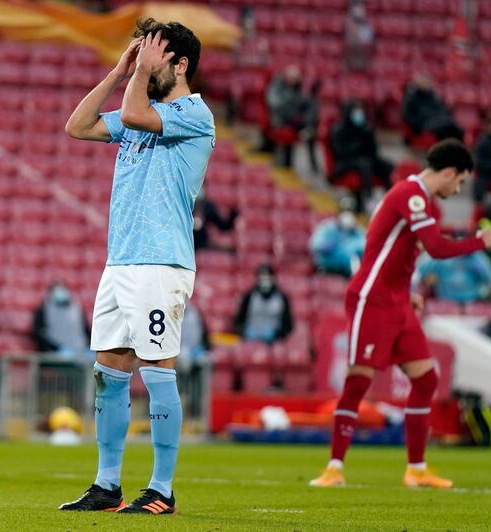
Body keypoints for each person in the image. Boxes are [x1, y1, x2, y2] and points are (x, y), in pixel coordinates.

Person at [61, 19, 214, 515]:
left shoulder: (194, 113)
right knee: (110, 368)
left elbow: (132, 109)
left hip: (161, 261)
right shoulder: (137, 108)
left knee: (157, 369)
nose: (145, 65)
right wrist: (120, 69)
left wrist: (137, 78)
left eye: (154, 56)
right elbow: (78, 126)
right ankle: (107, 485)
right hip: (121, 259)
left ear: (180, 63)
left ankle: (162, 490)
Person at [309, 139, 491, 489]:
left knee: (425, 380)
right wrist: (478, 242)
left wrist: (409, 292)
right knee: (358, 382)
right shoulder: (410, 195)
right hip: (373, 299)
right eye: (458, 182)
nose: (457, 190)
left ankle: (416, 469)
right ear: (449, 172)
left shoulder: (419, 201)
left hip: (397, 301)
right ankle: (333, 468)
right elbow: (438, 248)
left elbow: (398, 251)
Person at [329, 100, 393, 209]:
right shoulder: (339, 130)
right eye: (356, 112)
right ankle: (369, 199)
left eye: (361, 111)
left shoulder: (366, 130)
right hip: (346, 162)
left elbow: (373, 151)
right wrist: (357, 146)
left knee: (387, 165)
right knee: (365, 164)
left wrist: (368, 138)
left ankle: (391, 198)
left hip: (365, 159)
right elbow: (340, 152)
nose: (359, 114)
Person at [265, 65, 319, 170]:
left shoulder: (298, 88)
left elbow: (303, 104)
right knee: (296, 115)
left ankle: (313, 165)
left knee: (311, 104)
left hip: (295, 118)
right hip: (280, 118)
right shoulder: (276, 87)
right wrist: (290, 97)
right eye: (292, 77)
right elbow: (274, 104)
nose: (293, 80)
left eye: (296, 78)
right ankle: (306, 129)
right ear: (285, 76)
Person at [233, 264, 294, 343]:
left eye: (267, 277)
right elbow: (238, 321)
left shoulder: (282, 298)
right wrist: (245, 331)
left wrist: (276, 333)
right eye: (262, 277)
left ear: (273, 278)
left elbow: (288, 325)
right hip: (251, 340)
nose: (265, 280)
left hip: (274, 342)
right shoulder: (249, 297)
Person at [416, 246, 491, 304]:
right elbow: (420, 269)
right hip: (446, 303)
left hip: (472, 302)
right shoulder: (445, 253)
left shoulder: (476, 256)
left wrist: (476, 261)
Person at [309, 197, 367, 278]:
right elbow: (315, 245)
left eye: (350, 211)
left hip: (349, 273)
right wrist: (331, 246)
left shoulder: (358, 231)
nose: (348, 215)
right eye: (345, 211)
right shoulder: (327, 228)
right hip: (328, 270)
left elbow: (366, 247)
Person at [33, 282, 90, 357]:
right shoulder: (43, 310)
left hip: (80, 349)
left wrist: (88, 346)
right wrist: (56, 348)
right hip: (55, 352)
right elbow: (40, 333)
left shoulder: (76, 308)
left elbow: (85, 329)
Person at [402, 74, 463, 142]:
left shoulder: (433, 96)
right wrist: (424, 119)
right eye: (424, 82)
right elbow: (407, 116)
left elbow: (442, 109)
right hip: (423, 124)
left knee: (456, 128)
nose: (426, 84)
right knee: (442, 128)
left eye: (428, 82)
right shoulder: (411, 98)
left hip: (437, 121)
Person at [344, 0, 375, 71]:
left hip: (362, 52)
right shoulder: (349, 25)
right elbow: (349, 41)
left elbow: (369, 42)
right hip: (353, 52)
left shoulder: (368, 27)